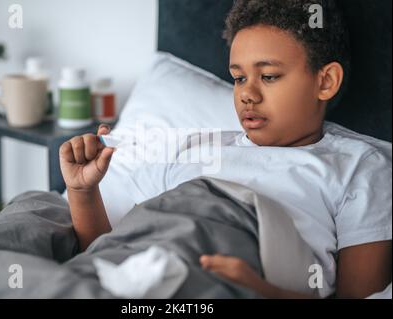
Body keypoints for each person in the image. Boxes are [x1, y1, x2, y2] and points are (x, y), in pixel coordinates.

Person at [59, 0, 391, 298]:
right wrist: (81, 191)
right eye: (238, 78)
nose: (248, 94)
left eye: (270, 76)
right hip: (152, 252)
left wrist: (263, 293)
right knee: (33, 212)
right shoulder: (196, 146)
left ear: (325, 81)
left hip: (226, 250)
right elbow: (111, 258)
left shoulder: (358, 167)